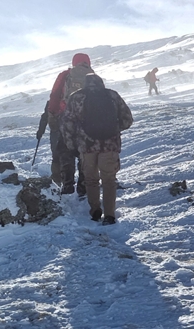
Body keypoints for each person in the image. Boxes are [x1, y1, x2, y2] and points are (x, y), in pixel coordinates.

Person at [61, 73, 133, 225]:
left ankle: (95, 211)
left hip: (87, 146)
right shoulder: (112, 95)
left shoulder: (77, 97)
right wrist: (114, 130)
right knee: (109, 180)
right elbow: (127, 119)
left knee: (91, 180)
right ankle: (110, 215)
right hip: (110, 146)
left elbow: (67, 123)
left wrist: (71, 144)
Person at [46, 53, 93, 195]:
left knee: (65, 150)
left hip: (65, 117)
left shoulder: (65, 75)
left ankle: (67, 185)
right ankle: (83, 187)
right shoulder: (93, 77)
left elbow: (54, 95)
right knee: (84, 151)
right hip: (86, 119)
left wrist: (52, 114)